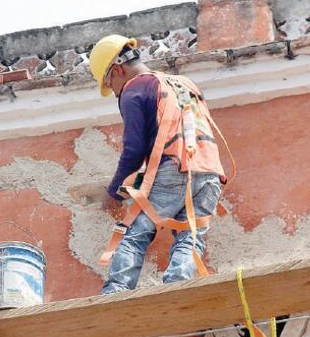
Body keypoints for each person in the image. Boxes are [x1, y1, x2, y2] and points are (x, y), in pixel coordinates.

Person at [88, 34, 230, 294]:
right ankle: (177, 288)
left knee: (134, 233)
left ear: (117, 70)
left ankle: (116, 292)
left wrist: (113, 194)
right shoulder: (183, 83)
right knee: (190, 236)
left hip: (174, 168)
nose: (114, 91)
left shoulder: (134, 89)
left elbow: (133, 150)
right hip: (210, 171)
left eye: (110, 84)